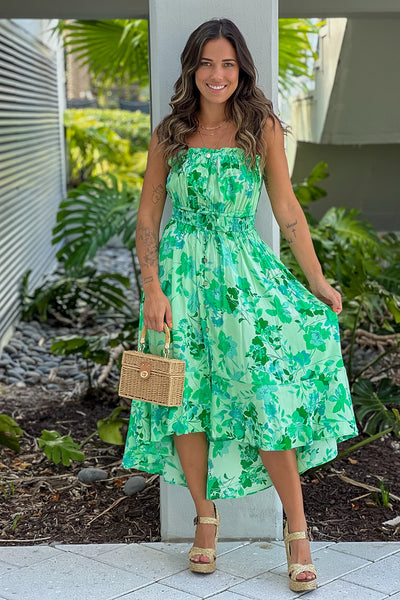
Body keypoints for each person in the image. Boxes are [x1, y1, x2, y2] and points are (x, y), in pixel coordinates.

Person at [122, 17, 358, 592]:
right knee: (183, 398)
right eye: (206, 63)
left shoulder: (262, 126)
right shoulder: (169, 134)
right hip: (177, 284)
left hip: (241, 278)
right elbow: (149, 219)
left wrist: (319, 282)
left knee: (266, 394)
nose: (217, 74)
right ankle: (206, 519)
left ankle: (296, 531)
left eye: (227, 63)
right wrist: (152, 290)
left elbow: (288, 213)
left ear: (241, 69)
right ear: (192, 70)